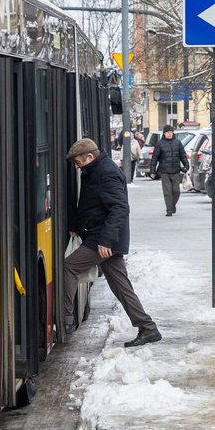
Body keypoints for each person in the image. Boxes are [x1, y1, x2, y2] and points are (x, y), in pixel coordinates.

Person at [63, 138, 162, 348]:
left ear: (89, 157)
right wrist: (77, 224)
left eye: (78, 162)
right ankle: (148, 328)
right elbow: (91, 205)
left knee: (69, 267)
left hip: (102, 239)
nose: (77, 166)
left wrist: (106, 240)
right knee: (120, 284)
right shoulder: (95, 170)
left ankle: (66, 321)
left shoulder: (106, 173)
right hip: (103, 237)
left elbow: (119, 208)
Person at [150, 124, 189, 216]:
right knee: (167, 192)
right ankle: (169, 210)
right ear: (164, 133)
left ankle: (172, 206)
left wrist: (186, 165)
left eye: (171, 132)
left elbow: (183, 155)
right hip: (164, 171)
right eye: (168, 132)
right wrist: (152, 171)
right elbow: (154, 158)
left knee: (176, 191)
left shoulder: (178, 142)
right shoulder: (160, 143)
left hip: (176, 170)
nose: (170, 134)